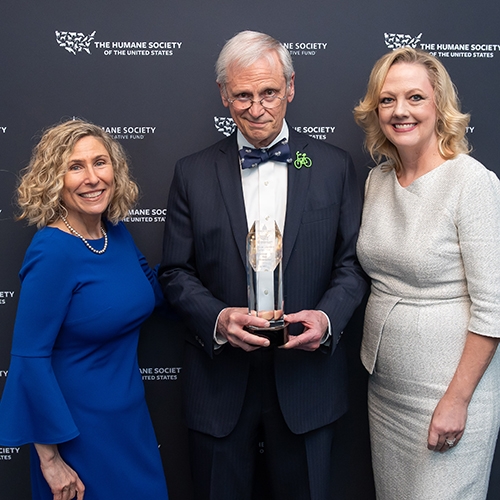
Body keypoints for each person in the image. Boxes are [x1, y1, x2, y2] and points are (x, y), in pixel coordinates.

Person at [159, 30, 367, 500]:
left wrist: (327, 318)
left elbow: (352, 264)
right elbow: (174, 271)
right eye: (243, 95)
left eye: (269, 92)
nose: (257, 108)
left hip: (307, 383)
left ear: (291, 87)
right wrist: (218, 318)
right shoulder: (191, 173)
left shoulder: (333, 167)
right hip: (219, 387)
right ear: (223, 95)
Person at [353, 47, 500, 499]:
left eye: (415, 97)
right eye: (387, 99)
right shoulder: (377, 180)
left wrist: (456, 401)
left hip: (450, 393)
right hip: (386, 391)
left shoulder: (472, 183)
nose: (400, 111)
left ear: (440, 105)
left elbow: (494, 308)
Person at [0, 120, 169, 500]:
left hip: (130, 424)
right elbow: (29, 358)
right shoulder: (51, 251)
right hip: (76, 435)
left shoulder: (116, 233)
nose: (91, 178)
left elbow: (155, 293)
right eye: (75, 167)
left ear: (115, 170)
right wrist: (50, 460)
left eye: (100, 163)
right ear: (53, 179)